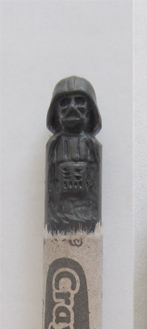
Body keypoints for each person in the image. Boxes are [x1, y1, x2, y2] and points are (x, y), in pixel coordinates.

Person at [46, 76, 102, 233]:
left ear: (90, 109)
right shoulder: (54, 145)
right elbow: (52, 185)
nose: (72, 107)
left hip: (85, 212)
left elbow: (93, 187)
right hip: (59, 214)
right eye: (65, 102)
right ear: (56, 110)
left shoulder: (92, 145)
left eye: (79, 101)